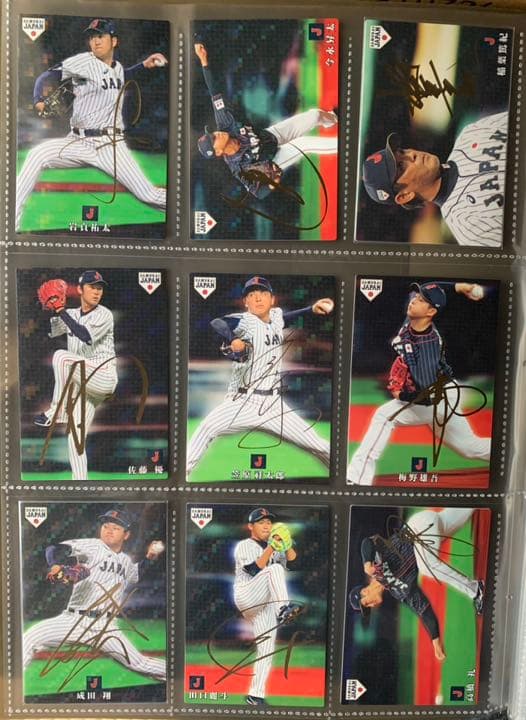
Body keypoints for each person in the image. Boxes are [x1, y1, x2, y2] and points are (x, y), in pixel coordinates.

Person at [16, 18, 167, 231]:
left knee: (148, 195)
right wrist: (38, 99)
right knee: (36, 155)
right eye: (92, 37)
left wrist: (144, 65)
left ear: (114, 41)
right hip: (78, 141)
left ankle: (184, 208)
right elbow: (47, 76)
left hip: (110, 145)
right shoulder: (83, 62)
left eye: (100, 36)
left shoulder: (117, 68)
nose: (95, 41)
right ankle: (9, 223)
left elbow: (120, 77)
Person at [187, 276, 333, 478]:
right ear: (246, 302)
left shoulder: (276, 318)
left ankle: (348, 479)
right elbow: (218, 322)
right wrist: (233, 338)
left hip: (273, 404)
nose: (258, 298)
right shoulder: (244, 321)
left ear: (272, 300)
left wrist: (311, 309)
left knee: (318, 445)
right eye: (252, 294)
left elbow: (286, 318)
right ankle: (180, 479)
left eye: (263, 293)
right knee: (206, 429)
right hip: (242, 402)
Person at [347, 281, 491, 485]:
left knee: (385, 416)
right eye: (416, 297)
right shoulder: (414, 320)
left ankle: (357, 478)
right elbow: (428, 286)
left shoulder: (426, 347)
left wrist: (400, 394)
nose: (414, 300)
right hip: (442, 392)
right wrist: (460, 287)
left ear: (431, 312)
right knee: (469, 448)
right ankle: (510, 452)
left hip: (437, 397)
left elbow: (426, 395)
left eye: (421, 300)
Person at [23, 508, 166, 682]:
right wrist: (55, 565)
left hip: (106, 627)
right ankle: (12, 687)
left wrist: (149, 557)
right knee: (29, 639)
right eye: (105, 526)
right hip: (74, 621)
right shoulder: (91, 545)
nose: (109, 530)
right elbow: (54, 548)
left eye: (116, 527)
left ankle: (179, 677)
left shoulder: (125, 560)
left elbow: (136, 573)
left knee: (139, 664)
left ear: (126, 535)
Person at [194, 41, 338, 199]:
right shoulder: (238, 168)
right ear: (218, 152)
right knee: (304, 144)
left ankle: (335, 117)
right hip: (276, 158)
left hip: (270, 135)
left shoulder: (225, 122)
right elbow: (258, 193)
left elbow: (214, 91)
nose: (216, 134)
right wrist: (271, 183)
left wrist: (204, 61)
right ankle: (343, 145)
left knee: (314, 116)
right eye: (213, 139)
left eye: (212, 134)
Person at [349, 507, 485, 661]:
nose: (371, 606)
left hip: (417, 527)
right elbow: (424, 610)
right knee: (468, 507)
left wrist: (367, 562)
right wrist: (436, 641)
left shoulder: (375, 568)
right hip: (428, 533)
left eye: (366, 603)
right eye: (368, 608)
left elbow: (368, 542)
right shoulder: (398, 592)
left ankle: (476, 590)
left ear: (365, 592)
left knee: (427, 567)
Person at [362, 112, 508, 246]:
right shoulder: (468, 227)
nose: (411, 155)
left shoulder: (470, 134)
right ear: (405, 196)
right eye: (401, 166)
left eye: (402, 151)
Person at [33, 270, 118, 481]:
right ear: (80, 289)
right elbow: (46, 331)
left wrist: (60, 310)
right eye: (92, 287)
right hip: (84, 384)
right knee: (74, 437)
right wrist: (45, 306)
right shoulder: (70, 314)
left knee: (61, 356)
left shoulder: (104, 314)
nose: (97, 292)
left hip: (103, 377)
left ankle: (56, 411)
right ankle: (81, 483)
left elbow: (84, 335)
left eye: (100, 288)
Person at [233, 507, 300, 705]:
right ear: (250, 526)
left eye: (269, 522)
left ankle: (255, 696)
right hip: (247, 594)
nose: (266, 526)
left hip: (265, 602)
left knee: (267, 648)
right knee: (275, 569)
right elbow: (254, 570)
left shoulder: (275, 546)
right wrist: (272, 546)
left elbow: (294, 564)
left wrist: (287, 544)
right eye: (261, 522)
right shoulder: (244, 545)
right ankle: (284, 610)